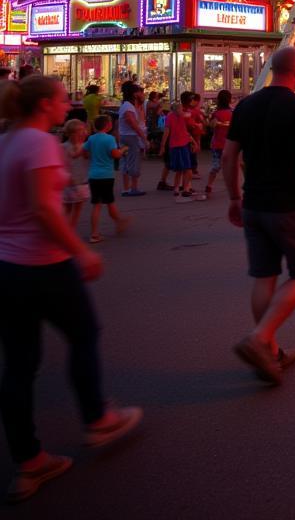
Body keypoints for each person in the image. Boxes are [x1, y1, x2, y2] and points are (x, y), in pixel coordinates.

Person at [0, 76, 141, 503]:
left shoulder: (6, 142)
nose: (70, 107)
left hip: (7, 267)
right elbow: (45, 207)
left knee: (20, 366)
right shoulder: (39, 143)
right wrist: (79, 251)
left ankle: (28, 461)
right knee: (84, 335)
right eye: (63, 100)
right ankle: (97, 418)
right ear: (44, 104)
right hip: (43, 265)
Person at [222, 46, 295, 385]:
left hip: (254, 203)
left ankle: (269, 353)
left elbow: (229, 157)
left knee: (264, 275)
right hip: (288, 205)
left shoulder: (246, 106)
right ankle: (260, 337)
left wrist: (234, 198)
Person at [83, 116, 130, 244]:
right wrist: (123, 150)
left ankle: (115, 223)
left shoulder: (91, 138)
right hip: (106, 175)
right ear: (108, 126)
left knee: (99, 205)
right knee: (109, 201)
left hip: (93, 175)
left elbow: (85, 153)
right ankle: (98, 232)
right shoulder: (110, 139)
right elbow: (115, 154)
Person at [159, 97, 194, 199]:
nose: (182, 110)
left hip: (175, 145)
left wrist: (162, 146)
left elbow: (167, 132)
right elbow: (187, 127)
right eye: (180, 108)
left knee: (179, 169)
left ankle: (177, 189)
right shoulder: (183, 116)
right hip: (182, 144)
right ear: (177, 109)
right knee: (186, 168)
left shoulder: (170, 116)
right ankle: (186, 188)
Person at [203, 89, 233, 201]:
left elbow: (211, 126)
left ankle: (209, 185)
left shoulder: (216, 113)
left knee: (216, 166)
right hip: (230, 144)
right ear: (229, 100)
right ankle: (233, 187)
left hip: (217, 143)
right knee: (232, 166)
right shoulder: (232, 113)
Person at [117, 83, 146, 197]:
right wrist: (143, 138)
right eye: (139, 91)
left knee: (125, 161)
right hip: (131, 137)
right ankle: (133, 188)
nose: (141, 94)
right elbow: (133, 124)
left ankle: (126, 188)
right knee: (133, 161)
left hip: (124, 136)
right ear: (134, 93)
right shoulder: (129, 106)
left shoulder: (125, 105)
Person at [61, 119, 90, 228]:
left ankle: (70, 230)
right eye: (80, 131)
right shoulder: (63, 147)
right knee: (67, 208)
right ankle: (64, 230)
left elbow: (88, 158)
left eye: (84, 131)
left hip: (81, 181)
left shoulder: (85, 146)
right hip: (68, 183)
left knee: (77, 209)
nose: (83, 133)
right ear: (71, 133)